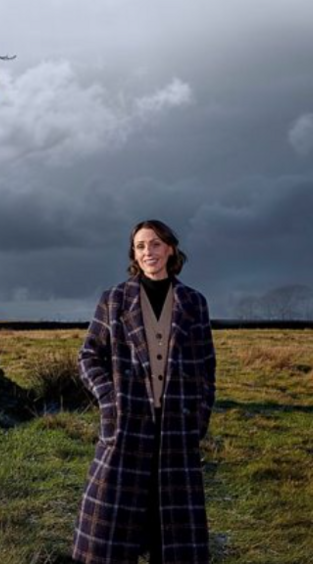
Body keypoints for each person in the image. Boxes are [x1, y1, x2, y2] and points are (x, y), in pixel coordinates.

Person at [71, 219, 217, 564]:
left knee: (173, 535)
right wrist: (109, 401)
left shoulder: (194, 302)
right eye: (140, 246)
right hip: (125, 429)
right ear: (133, 255)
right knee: (109, 536)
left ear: (170, 249)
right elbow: (88, 357)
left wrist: (198, 420)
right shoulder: (114, 299)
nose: (148, 252)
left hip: (177, 432)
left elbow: (206, 368)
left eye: (154, 244)